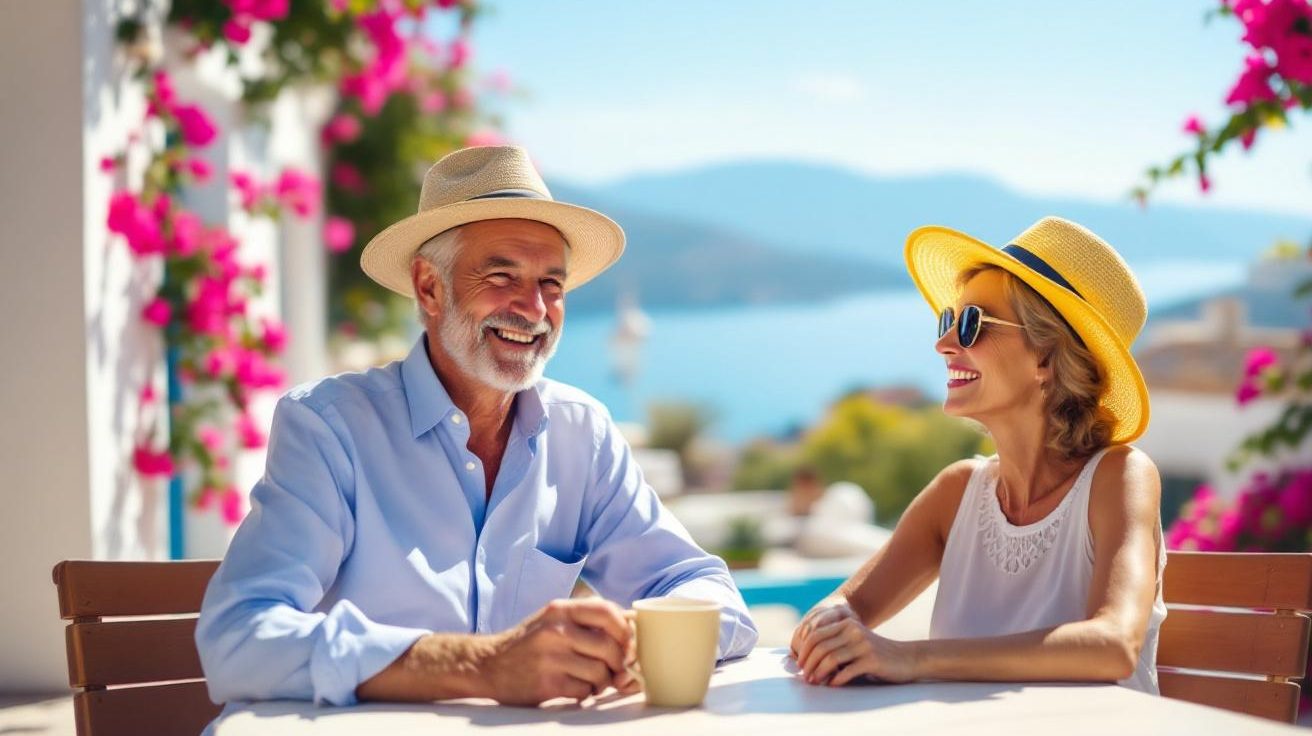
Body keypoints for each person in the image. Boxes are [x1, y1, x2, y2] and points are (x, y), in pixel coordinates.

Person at [196, 146, 757, 710]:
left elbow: (710, 594)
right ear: (429, 289)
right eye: (501, 275)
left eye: (552, 284)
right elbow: (237, 640)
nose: (534, 308)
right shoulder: (330, 428)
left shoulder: (580, 433)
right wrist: (481, 666)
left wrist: (641, 642)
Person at [790, 217, 1165, 693]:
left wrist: (911, 657)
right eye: (950, 319)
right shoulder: (956, 493)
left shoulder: (1119, 477)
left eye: (972, 324)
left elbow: (1112, 644)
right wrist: (827, 624)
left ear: (1046, 357)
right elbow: (841, 607)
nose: (944, 344)